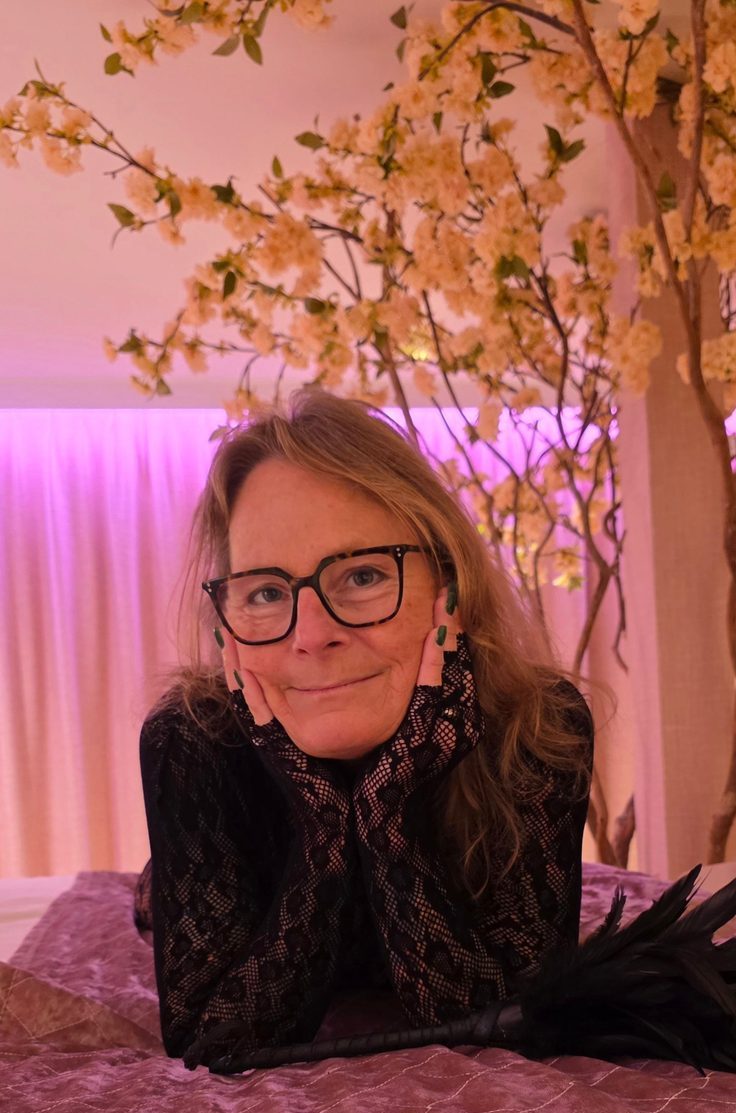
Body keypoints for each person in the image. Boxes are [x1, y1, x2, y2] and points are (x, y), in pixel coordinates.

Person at [133, 388, 608, 1071]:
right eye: (265, 592)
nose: (312, 635)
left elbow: (513, 1021)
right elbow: (210, 1043)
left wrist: (386, 813)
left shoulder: (537, 725)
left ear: (450, 590)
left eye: (360, 576)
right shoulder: (193, 741)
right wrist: (324, 827)